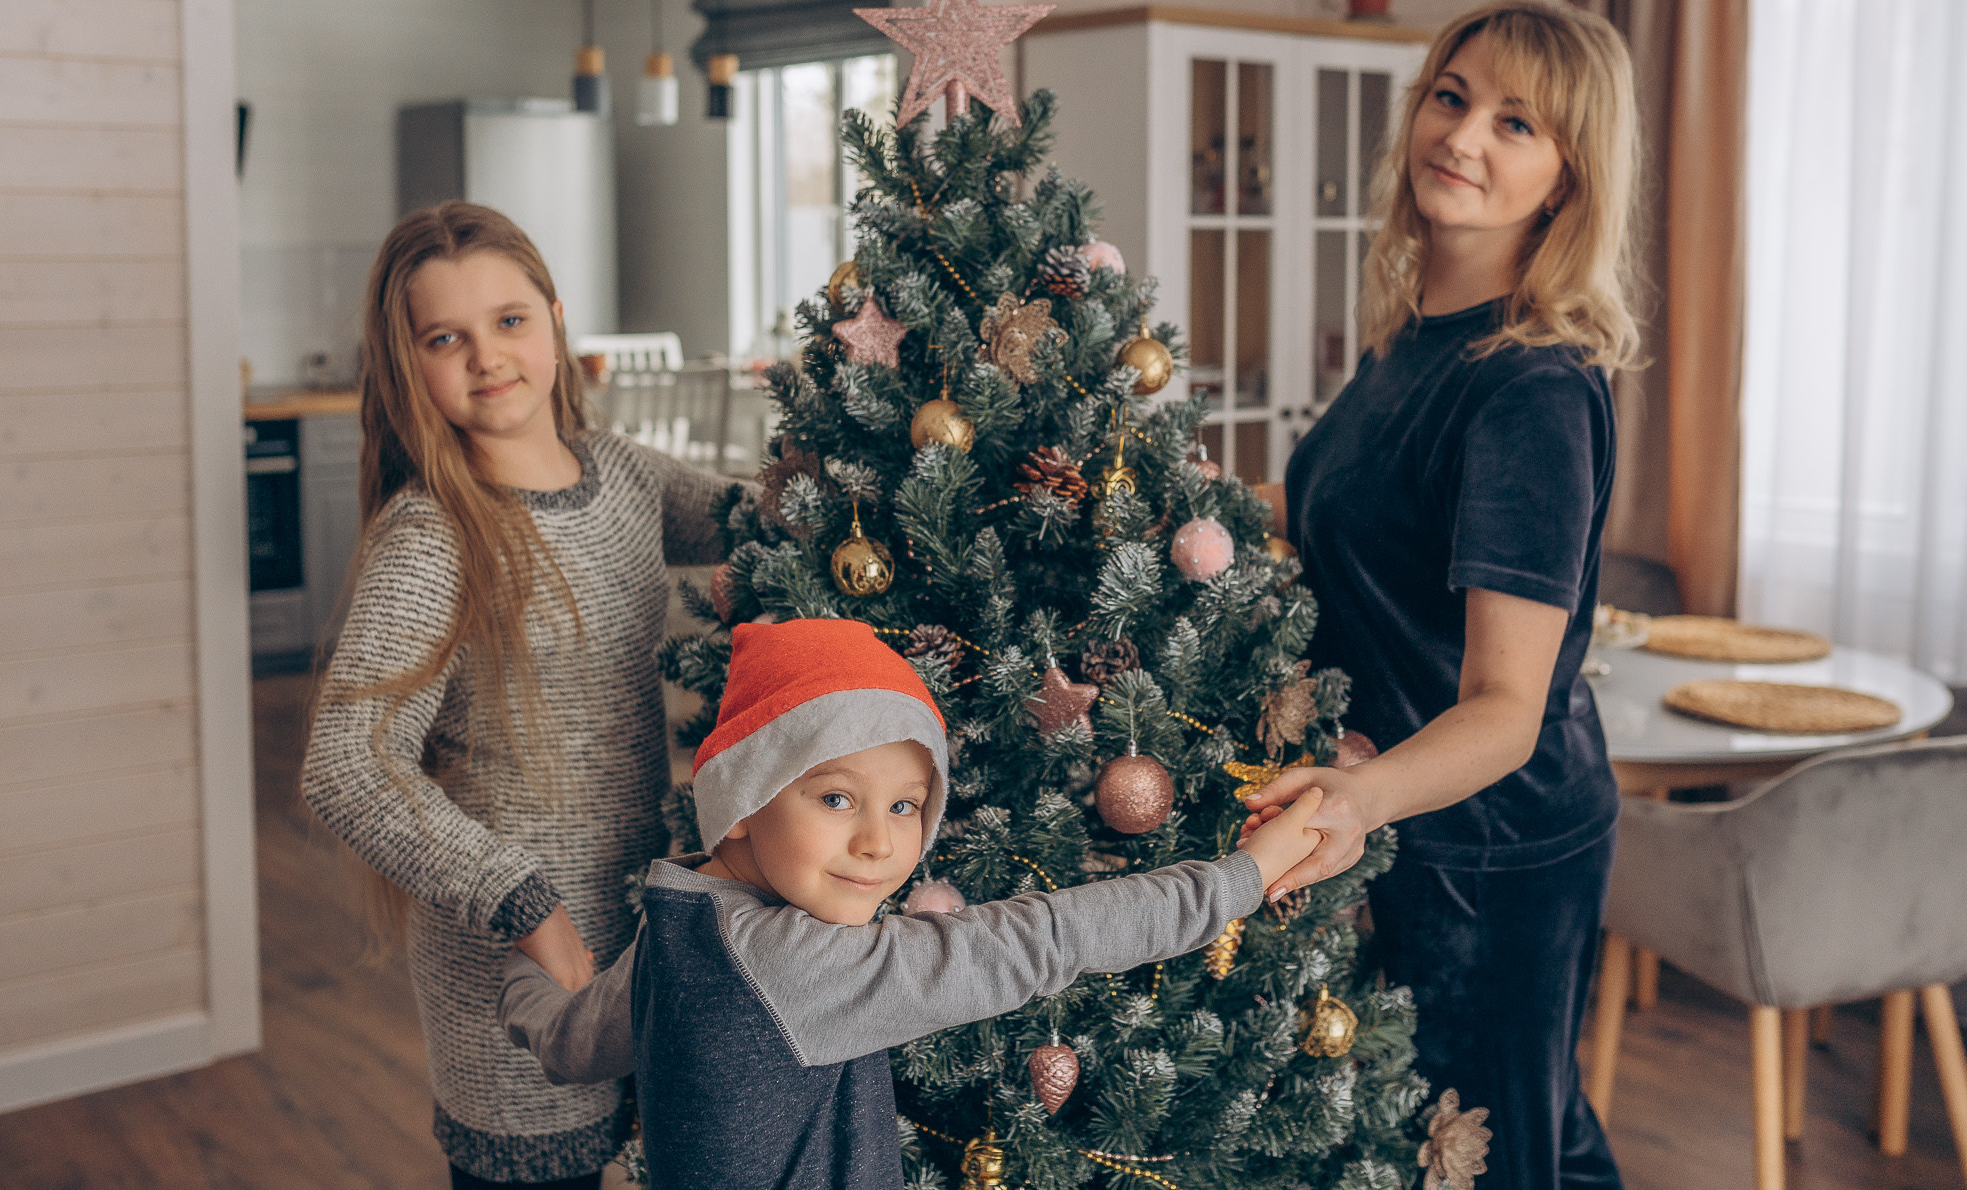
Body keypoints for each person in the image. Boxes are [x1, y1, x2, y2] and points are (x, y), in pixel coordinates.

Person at [496, 617, 1329, 1190]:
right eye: (835, 798)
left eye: (904, 805)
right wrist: (1242, 876)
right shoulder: (797, 963)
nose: (878, 843)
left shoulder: (676, 923)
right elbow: (1051, 936)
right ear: (741, 800)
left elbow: (571, 1041)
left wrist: (519, 980)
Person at [1247, 0, 1640, 1189]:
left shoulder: (1529, 390)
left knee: (1487, 1155)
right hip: (1409, 822)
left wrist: (1357, 798)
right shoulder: (1411, 339)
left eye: (1514, 122)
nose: (1460, 137)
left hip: (1487, 849)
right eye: (1450, 97)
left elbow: (1505, 709)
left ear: (1567, 177)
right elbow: (1339, 514)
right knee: (1523, 1132)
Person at [302, 201, 746, 1188]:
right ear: (408, 364)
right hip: (514, 969)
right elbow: (347, 766)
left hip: (643, 925)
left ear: (554, 321)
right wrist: (524, 904)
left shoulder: (623, 474)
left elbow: (760, 519)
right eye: (444, 337)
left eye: (508, 320)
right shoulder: (433, 535)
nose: (486, 355)